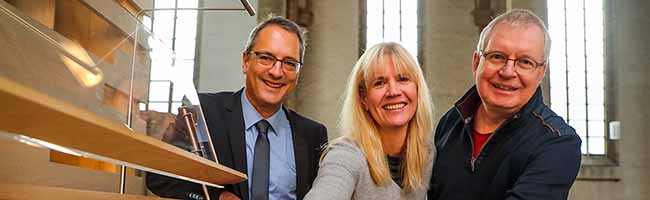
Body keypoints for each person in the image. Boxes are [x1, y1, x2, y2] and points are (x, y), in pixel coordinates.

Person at [146, 16, 328, 200]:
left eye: (289, 63)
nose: (276, 72)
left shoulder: (313, 135)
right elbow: (160, 177)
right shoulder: (203, 114)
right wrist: (217, 196)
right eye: (266, 58)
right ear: (245, 61)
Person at [428, 9, 581, 200]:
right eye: (497, 56)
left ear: (541, 72)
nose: (508, 72)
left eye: (525, 62)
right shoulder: (451, 122)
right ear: (476, 62)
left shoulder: (557, 142)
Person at [304, 42, 435, 200]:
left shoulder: (426, 153)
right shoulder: (346, 155)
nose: (393, 92)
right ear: (363, 98)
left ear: (417, 89)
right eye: (379, 83)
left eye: (403, 79)